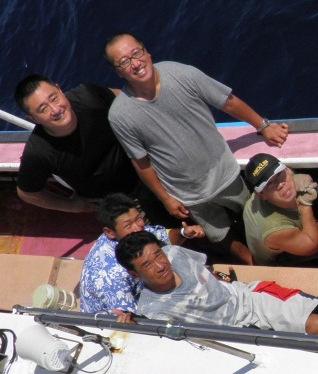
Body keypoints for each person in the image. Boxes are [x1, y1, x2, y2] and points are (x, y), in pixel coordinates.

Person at [103, 32, 290, 264]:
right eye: (124, 62)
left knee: (260, 218)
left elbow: (227, 101)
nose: (135, 63)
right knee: (220, 235)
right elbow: (141, 162)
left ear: (147, 52)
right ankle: (256, 266)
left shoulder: (181, 73)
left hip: (227, 175)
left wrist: (263, 126)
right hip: (188, 195)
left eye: (136, 53)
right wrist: (166, 199)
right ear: (118, 72)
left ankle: (281, 256)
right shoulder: (120, 115)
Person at [114, 231, 318, 338]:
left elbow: (207, 270)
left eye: (158, 255)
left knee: (312, 324)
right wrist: (130, 330)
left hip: (248, 299)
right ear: (135, 275)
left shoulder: (175, 253)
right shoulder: (152, 312)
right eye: (147, 265)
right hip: (234, 336)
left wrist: (221, 280)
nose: (160, 265)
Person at [13, 74, 132, 212]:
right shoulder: (38, 153)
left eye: (54, 98)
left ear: (60, 90)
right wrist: (71, 206)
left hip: (142, 169)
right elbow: (27, 193)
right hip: (111, 202)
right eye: (43, 109)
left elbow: (122, 99)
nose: (56, 110)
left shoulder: (88, 97)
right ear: (33, 118)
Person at [79, 193, 205, 315]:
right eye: (128, 225)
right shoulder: (113, 276)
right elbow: (130, 321)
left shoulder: (132, 233)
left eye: (138, 218)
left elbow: (164, 237)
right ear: (109, 232)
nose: (138, 227)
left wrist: (184, 233)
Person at [243, 153, 318, 266]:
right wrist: (305, 202)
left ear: (287, 170)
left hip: (279, 234)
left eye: (279, 174)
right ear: (261, 195)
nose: (280, 184)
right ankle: (314, 266)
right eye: (270, 183)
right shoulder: (274, 227)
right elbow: (311, 246)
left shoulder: (285, 178)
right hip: (275, 262)